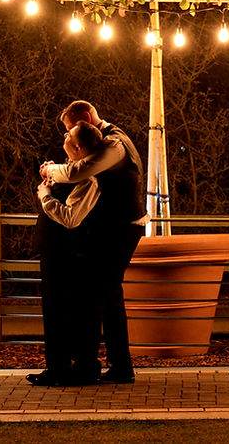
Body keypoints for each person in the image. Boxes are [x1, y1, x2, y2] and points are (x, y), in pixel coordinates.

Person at [40, 100, 147, 384]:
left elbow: (79, 172)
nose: (69, 136)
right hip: (118, 226)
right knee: (109, 297)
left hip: (122, 227)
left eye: (70, 129)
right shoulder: (107, 142)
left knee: (95, 296)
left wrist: (50, 173)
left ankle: (89, 365)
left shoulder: (115, 145)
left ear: (85, 119)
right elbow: (79, 166)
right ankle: (120, 366)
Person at [27, 121, 108, 387]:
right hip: (59, 252)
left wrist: (44, 195)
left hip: (67, 254)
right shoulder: (69, 173)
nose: (65, 133)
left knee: (61, 311)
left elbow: (71, 218)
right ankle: (66, 366)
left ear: (78, 146)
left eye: (69, 133)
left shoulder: (88, 180)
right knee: (60, 310)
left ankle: (66, 367)